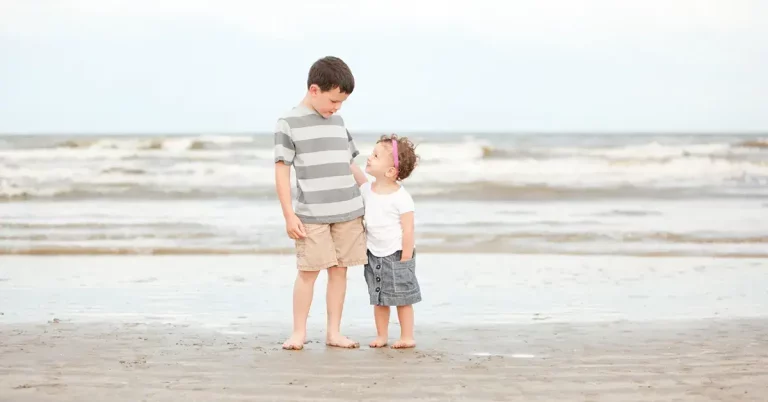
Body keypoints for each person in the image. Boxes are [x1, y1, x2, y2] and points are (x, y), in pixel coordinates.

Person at [274, 56, 368, 350]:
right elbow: (281, 170)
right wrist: (289, 215)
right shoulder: (288, 123)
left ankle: (334, 332)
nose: (336, 108)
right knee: (308, 271)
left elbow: (349, 162)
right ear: (314, 90)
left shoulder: (338, 121)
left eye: (341, 103)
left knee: (340, 271)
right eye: (333, 100)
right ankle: (299, 332)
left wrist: (372, 191)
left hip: (348, 211)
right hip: (311, 214)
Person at [352, 134, 422, 349]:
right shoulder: (367, 190)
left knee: (403, 298)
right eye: (371, 154)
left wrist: (406, 257)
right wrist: (348, 159)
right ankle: (381, 335)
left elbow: (408, 228)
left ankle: (407, 336)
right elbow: (359, 177)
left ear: (391, 171)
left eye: (375, 156)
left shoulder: (401, 197)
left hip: (397, 253)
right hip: (373, 253)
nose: (370, 158)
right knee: (379, 298)